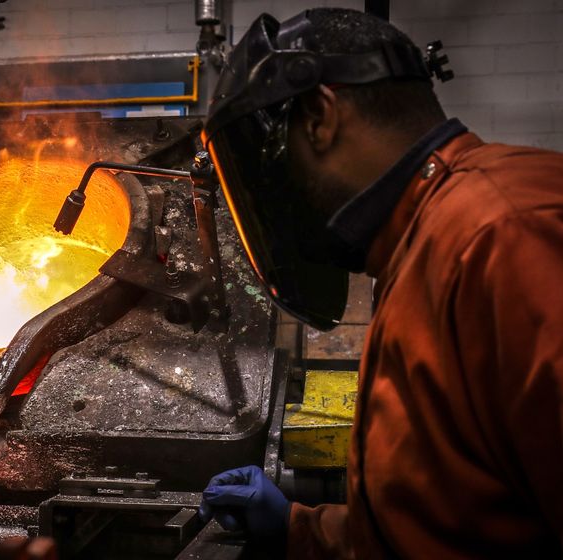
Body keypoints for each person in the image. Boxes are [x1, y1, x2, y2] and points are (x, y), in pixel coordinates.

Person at [198, 7, 563, 558]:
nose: (282, 200)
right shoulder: (423, 243)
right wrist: (300, 526)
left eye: (276, 164)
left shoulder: (503, 233)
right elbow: (451, 516)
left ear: (320, 117)